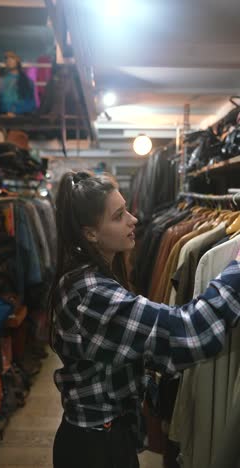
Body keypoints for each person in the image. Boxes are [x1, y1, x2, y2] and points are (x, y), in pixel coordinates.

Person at [49, 170, 240, 468]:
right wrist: (237, 267)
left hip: (101, 435)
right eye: (118, 215)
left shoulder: (87, 277)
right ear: (90, 233)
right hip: (96, 448)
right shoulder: (92, 294)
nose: (133, 219)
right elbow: (189, 331)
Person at [0, 51, 36, 115]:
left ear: (17, 61)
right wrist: (8, 111)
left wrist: (16, 110)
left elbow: (31, 102)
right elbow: (1, 100)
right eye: (7, 59)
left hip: (23, 117)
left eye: (12, 58)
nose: (9, 60)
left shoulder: (27, 81)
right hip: (5, 116)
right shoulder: (2, 81)